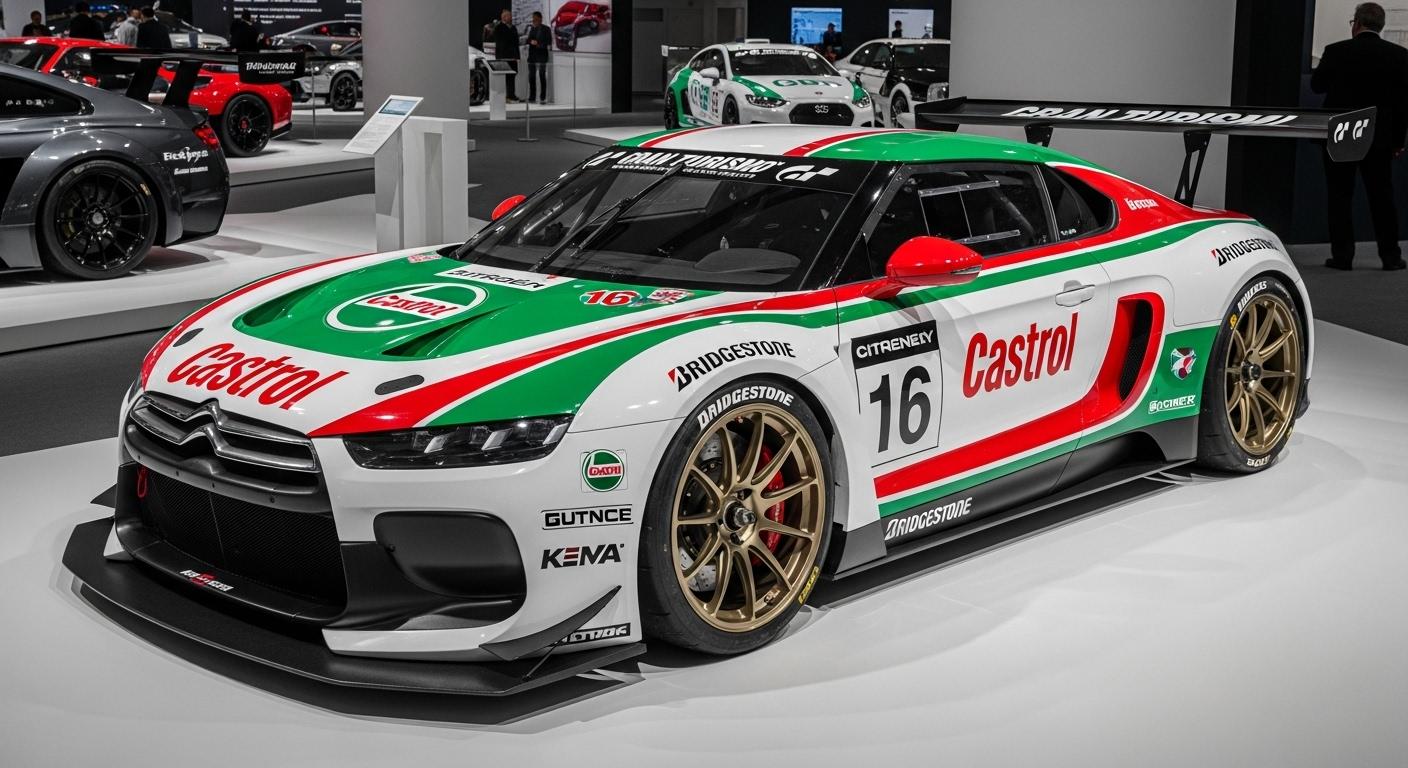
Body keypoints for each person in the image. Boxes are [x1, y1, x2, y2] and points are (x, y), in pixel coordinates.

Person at [1312, 2, 1408, 270]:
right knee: (1382, 198)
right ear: (1381, 26)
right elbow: (1403, 105)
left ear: (1357, 23)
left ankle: (1343, 257)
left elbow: (1317, 86)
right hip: (1379, 137)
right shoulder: (1399, 56)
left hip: (1342, 134)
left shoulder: (1336, 51)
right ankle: (1390, 256)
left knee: (1340, 196)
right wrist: (1398, 141)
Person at [492, 8, 520, 102]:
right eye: (509, 16)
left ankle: (511, 95)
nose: (511, 17)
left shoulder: (513, 28)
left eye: (511, 16)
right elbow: (500, 43)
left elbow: (516, 43)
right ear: (504, 17)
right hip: (503, 57)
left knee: (512, 75)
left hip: (513, 57)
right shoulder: (498, 28)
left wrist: (517, 56)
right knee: (504, 76)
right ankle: (502, 95)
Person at [525, 11, 551, 104]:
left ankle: (542, 97)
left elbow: (548, 42)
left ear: (540, 19)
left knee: (542, 75)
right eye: (533, 19)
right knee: (531, 76)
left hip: (542, 56)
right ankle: (532, 97)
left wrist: (538, 44)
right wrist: (530, 41)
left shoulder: (546, 29)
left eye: (535, 19)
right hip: (532, 56)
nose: (533, 21)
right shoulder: (532, 28)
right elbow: (528, 40)